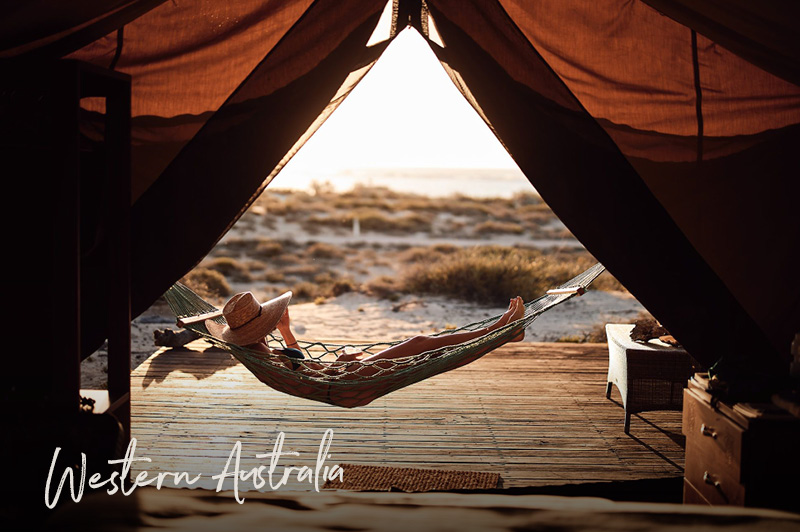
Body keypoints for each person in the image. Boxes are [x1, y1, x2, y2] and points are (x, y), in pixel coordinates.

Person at [205, 291, 526, 378]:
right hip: (345, 381)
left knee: (423, 349)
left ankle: (502, 333)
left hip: (342, 373)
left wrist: (287, 332)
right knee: (421, 347)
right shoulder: (261, 356)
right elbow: (303, 378)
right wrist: (334, 366)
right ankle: (499, 331)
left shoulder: (258, 352)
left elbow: (299, 370)